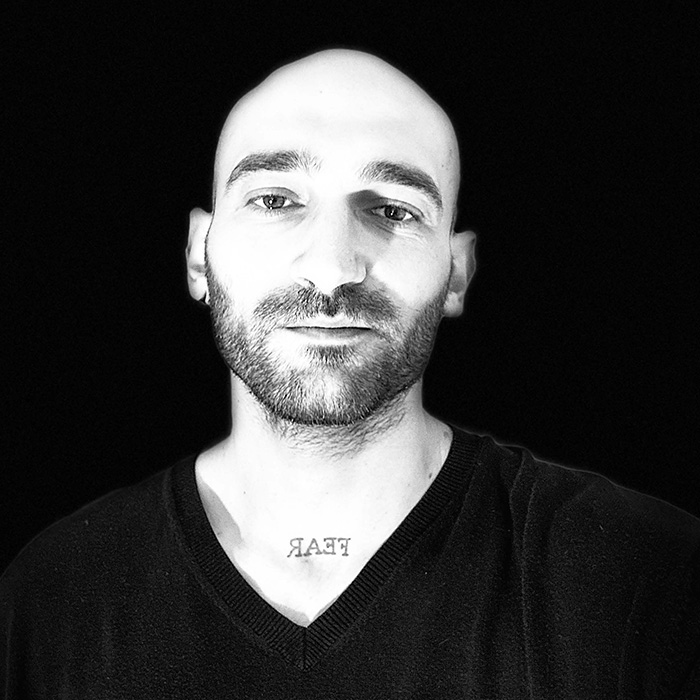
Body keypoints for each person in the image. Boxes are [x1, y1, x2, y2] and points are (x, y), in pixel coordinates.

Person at [2, 48, 699, 699]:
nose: (332, 268)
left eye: (393, 210)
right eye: (275, 200)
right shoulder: (51, 598)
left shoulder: (647, 582)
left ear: (456, 272)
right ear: (198, 255)